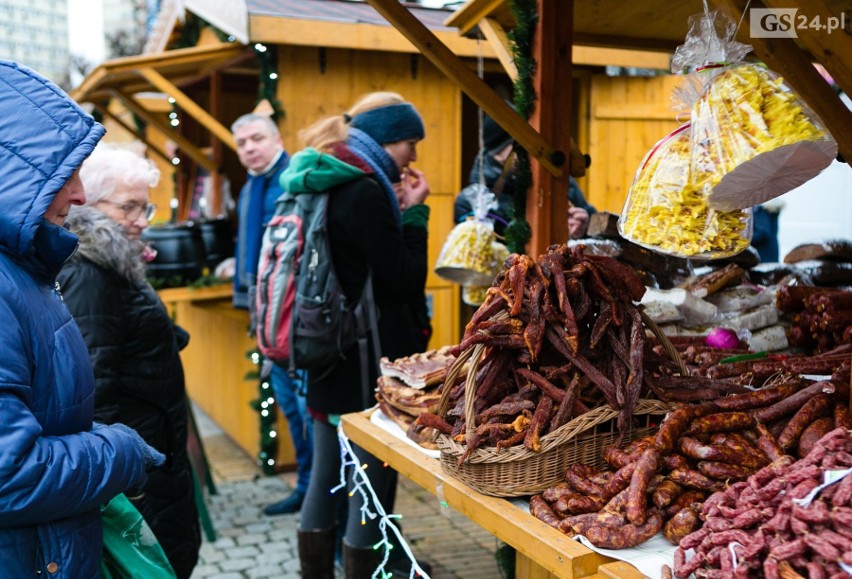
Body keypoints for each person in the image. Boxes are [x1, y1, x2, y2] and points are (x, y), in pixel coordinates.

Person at [0, 60, 165, 577]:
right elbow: (9, 475)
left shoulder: (25, 270)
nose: (78, 195)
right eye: (63, 174)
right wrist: (120, 450)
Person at [287, 92, 432, 578]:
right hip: (365, 360)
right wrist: (415, 215)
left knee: (326, 474)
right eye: (410, 142)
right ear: (388, 139)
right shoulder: (365, 191)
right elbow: (404, 279)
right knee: (367, 481)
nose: (413, 155)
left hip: (324, 348)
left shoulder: (320, 178)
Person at [56, 144, 201, 578]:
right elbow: (92, 387)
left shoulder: (110, 259)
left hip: (151, 450)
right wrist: (123, 484)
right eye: (130, 207)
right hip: (138, 467)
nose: (142, 220)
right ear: (90, 203)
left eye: (146, 207)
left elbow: (111, 335)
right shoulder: (88, 270)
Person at [230, 113, 313, 515]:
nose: (249, 147)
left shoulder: (294, 180)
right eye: (241, 142)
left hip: (296, 323)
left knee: (305, 410)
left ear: (278, 137)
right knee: (289, 407)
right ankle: (306, 487)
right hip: (264, 323)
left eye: (256, 138)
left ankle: (316, 492)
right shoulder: (249, 188)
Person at [454, 111, 596, 239]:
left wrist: (585, 226)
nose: (535, 152)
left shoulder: (562, 183)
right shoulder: (473, 203)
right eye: (524, 146)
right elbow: (476, 257)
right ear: (499, 153)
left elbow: (602, 232)